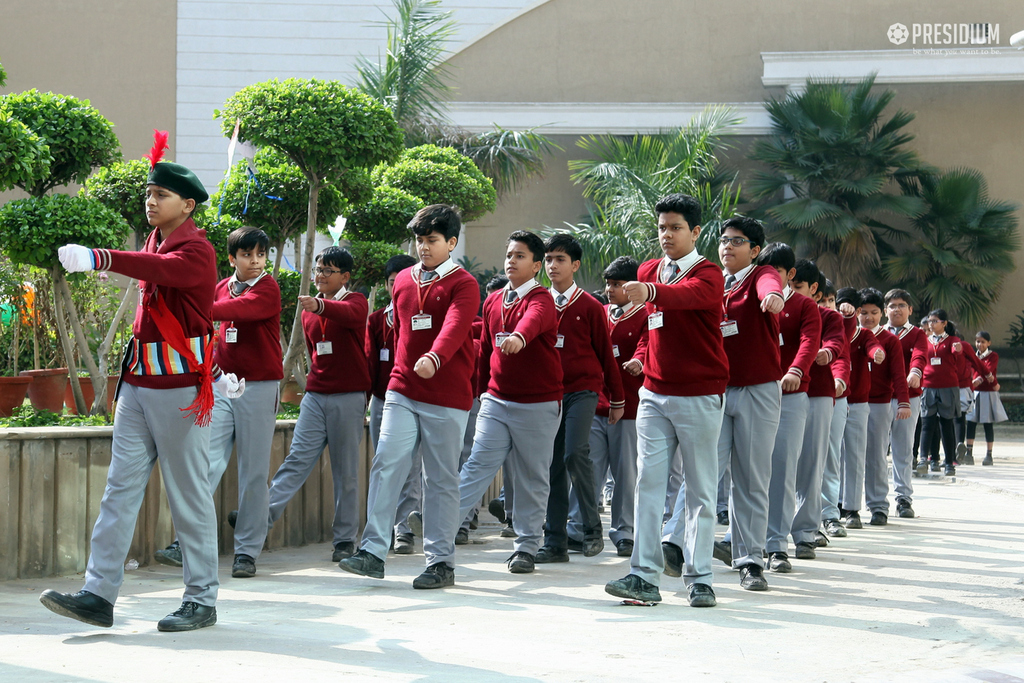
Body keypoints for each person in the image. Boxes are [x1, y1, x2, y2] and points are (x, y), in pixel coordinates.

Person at [42, 143, 241, 631]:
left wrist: (100, 257)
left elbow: (162, 273)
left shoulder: (196, 250)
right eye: (149, 193)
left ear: (188, 204)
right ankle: (98, 593)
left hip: (178, 390)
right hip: (138, 384)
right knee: (118, 492)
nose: (151, 201)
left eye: (162, 194)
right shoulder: (155, 240)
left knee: (189, 496)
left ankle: (202, 599)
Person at [340, 205, 480, 589]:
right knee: (386, 461)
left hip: (448, 394)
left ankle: (440, 561)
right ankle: (372, 551)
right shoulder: (402, 280)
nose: (424, 248)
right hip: (402, 388)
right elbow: (401, 331)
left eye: (432, 241)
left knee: (439, 479)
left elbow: (455, 325)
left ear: (451, 242)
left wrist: (436, 356)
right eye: (419, 240)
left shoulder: (464, 284)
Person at [604, 193, 728, 607]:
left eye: (675, 228)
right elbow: (649, 325)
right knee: (649, 484)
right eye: (661, 228)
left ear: (695, 232)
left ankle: (700, 578)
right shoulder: (648, 270)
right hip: (654, 395)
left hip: (700, 395)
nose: (666, 235)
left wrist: (652, 290)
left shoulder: (709, 273)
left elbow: (686, 295)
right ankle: (643, 575)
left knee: (700, 490)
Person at [454, 230, 562, 575]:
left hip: (538, 405)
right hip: (496, 402)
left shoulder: (542, 298)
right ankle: (441, 523)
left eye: (520, 256)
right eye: (509, 254)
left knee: (531, 477)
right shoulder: (493, 301)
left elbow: (533, 322)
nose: (511, 260)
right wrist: (483, 389)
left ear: (535, 266)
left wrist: (519, 336)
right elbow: (485, 351)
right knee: (476, 465)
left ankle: (527, 547)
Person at [266, 246, 369, 562]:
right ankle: (258, 518)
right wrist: (317, 307)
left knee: (346, 471)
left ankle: (344, 540)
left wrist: (321, 305)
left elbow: (349, 315)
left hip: (349, 396)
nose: (320, 276)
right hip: (315, 394)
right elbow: (314, 351)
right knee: (296, 459)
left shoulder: (356, 301)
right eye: (318, 270)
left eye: (328, 271)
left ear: (345, 277)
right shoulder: (310, 311)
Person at [701, 216, 784, 591]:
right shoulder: (712, 281)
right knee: (703, 474)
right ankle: (687, 553)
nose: (727, 246)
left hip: (757, 390)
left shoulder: (762, 275)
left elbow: (771, 286)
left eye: (736, 241)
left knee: (751, 479)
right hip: (714, 390)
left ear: (754, 249)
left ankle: (750, 558)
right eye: (723, 240)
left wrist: (773, 296)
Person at [536, 233, 624, 563]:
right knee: (553, 466)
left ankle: (591, 526)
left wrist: (617, 399)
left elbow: (606, 354)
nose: (552, 266)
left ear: (575, 265)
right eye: (547, 260)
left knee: (575, 452)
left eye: (559, 260)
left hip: (583, 392)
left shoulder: (590, 306)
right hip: (548, 394)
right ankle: (555, 542)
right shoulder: (539, 302)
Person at [568, 256, 648, 557]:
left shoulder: (644, 315)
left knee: (626, 473)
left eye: (618, 284)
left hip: (628, 408)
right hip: (595, 405)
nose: (611, 290)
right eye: (609, 284)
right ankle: (577, 528)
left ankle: (624, 532)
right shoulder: (599, 313)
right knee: (587, 470)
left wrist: (638, 361)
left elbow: (647, 344)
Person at [759, 245, 821, 573]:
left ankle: (776, 544)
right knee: (746, 470)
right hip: (755, 393)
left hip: (791, 396)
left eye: (776, 272)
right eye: (763, 270)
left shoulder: (803, 306)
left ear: (790, 274)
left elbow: (810, 341)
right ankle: (738, 540)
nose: (768, 277)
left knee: (782, 470)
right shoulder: (750, 300)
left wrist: (796, 370)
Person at [789, 263, 846, 555]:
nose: (790, 291)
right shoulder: (775, 313)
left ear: (814, 290)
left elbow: (837, 342)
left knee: (812, 463)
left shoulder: (828, 316)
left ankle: (806, 530)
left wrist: (828, 352)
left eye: (797, 287)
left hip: (818, 394)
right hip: (781, 393)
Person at [365, 254, 419, 555]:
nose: (396, 285)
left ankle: (404, 529)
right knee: (383, 463)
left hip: (413, 400)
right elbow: (370, 362)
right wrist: (366, 401)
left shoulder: (421, 317)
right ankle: (378, 532)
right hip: (382, 400)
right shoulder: (376, 321)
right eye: (391, 280)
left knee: (411, 467)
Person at [857, 288, 910, 527]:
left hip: (879, 404)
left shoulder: (890, 341)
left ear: (882, 314)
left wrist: (903, 402)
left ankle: (878, 506)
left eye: (874, 313)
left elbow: (899, 374)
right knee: (847, 456)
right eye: (864, 312)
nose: (868, 317)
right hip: (851, 403)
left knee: (877, 456)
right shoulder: (849, 336)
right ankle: (845, 506)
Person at [916, 310, 988, 476]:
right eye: (929, 321)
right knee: (927, 424)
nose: (931, 324)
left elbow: (961, 355)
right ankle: (923, 459)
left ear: (944, 323)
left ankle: (949, 463)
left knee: (946, 424)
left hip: (948, 387)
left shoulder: (953, 341)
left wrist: (958, 350)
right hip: (928, 386)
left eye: (935, 321)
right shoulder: (924, 340)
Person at [837, 287, 886, 529]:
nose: (845, 310)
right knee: (830, 456)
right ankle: (832, 505)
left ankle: (851, 508)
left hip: (857, 402)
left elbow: (875, 346)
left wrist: (877, 353)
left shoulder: (864, 335)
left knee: (854, 455)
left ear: (856, 311)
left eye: (849, 307)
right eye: (840, 305)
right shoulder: (830, 330)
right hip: (832, 400)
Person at [883, 288, 927, 518]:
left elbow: (921, 353)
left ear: (910, 309)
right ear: (885, 310)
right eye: (892, 305)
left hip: (909, 398)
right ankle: (877, 500)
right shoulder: (877, 333)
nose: (896, 309)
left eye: (901, 305)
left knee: (903, 448)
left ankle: (903, 498)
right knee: (877, 450)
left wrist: (916, 371)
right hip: (880, 398)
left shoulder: (917, 333)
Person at [967, 331, 1007, 466]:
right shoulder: (972, 356)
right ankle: (968, 452)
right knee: (971, 422)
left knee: (987, 423)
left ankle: (989, 454)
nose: (980, 344)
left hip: (988, 393)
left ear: (989, 343)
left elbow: (988, 370)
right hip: (974, 392)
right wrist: (973, 381)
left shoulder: (993, 356)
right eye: (977, 341)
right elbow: (970, 370)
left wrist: (982, 379)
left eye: (983, 342)